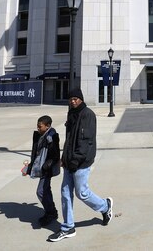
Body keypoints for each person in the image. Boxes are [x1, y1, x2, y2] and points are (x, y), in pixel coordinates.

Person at [48, 88, 113, 242]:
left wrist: (75, 160)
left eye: (76, 98)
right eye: (70, 99)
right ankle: (68, 227)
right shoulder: (71, 113)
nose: (73, 101)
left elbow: (86, 141)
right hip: (70, 160)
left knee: (82, 193)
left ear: (81, 99)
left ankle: (105, 206)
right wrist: (64, 157)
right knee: (65, 193)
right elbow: (69, 139)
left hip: (81, 162)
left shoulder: (87, 115)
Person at [24, 115, 60, 227]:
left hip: (46, 169)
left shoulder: (51, 137)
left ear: (48, 126)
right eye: (37, 126)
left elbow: (55, 155)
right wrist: (30, 166)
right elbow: (37, 152)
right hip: (41, 166)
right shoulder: (40, 135)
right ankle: (51, 211)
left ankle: (51, 213)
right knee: (45, 190)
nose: (38, 128)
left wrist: (46, 166)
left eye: (40, 126)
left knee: (41, 191)